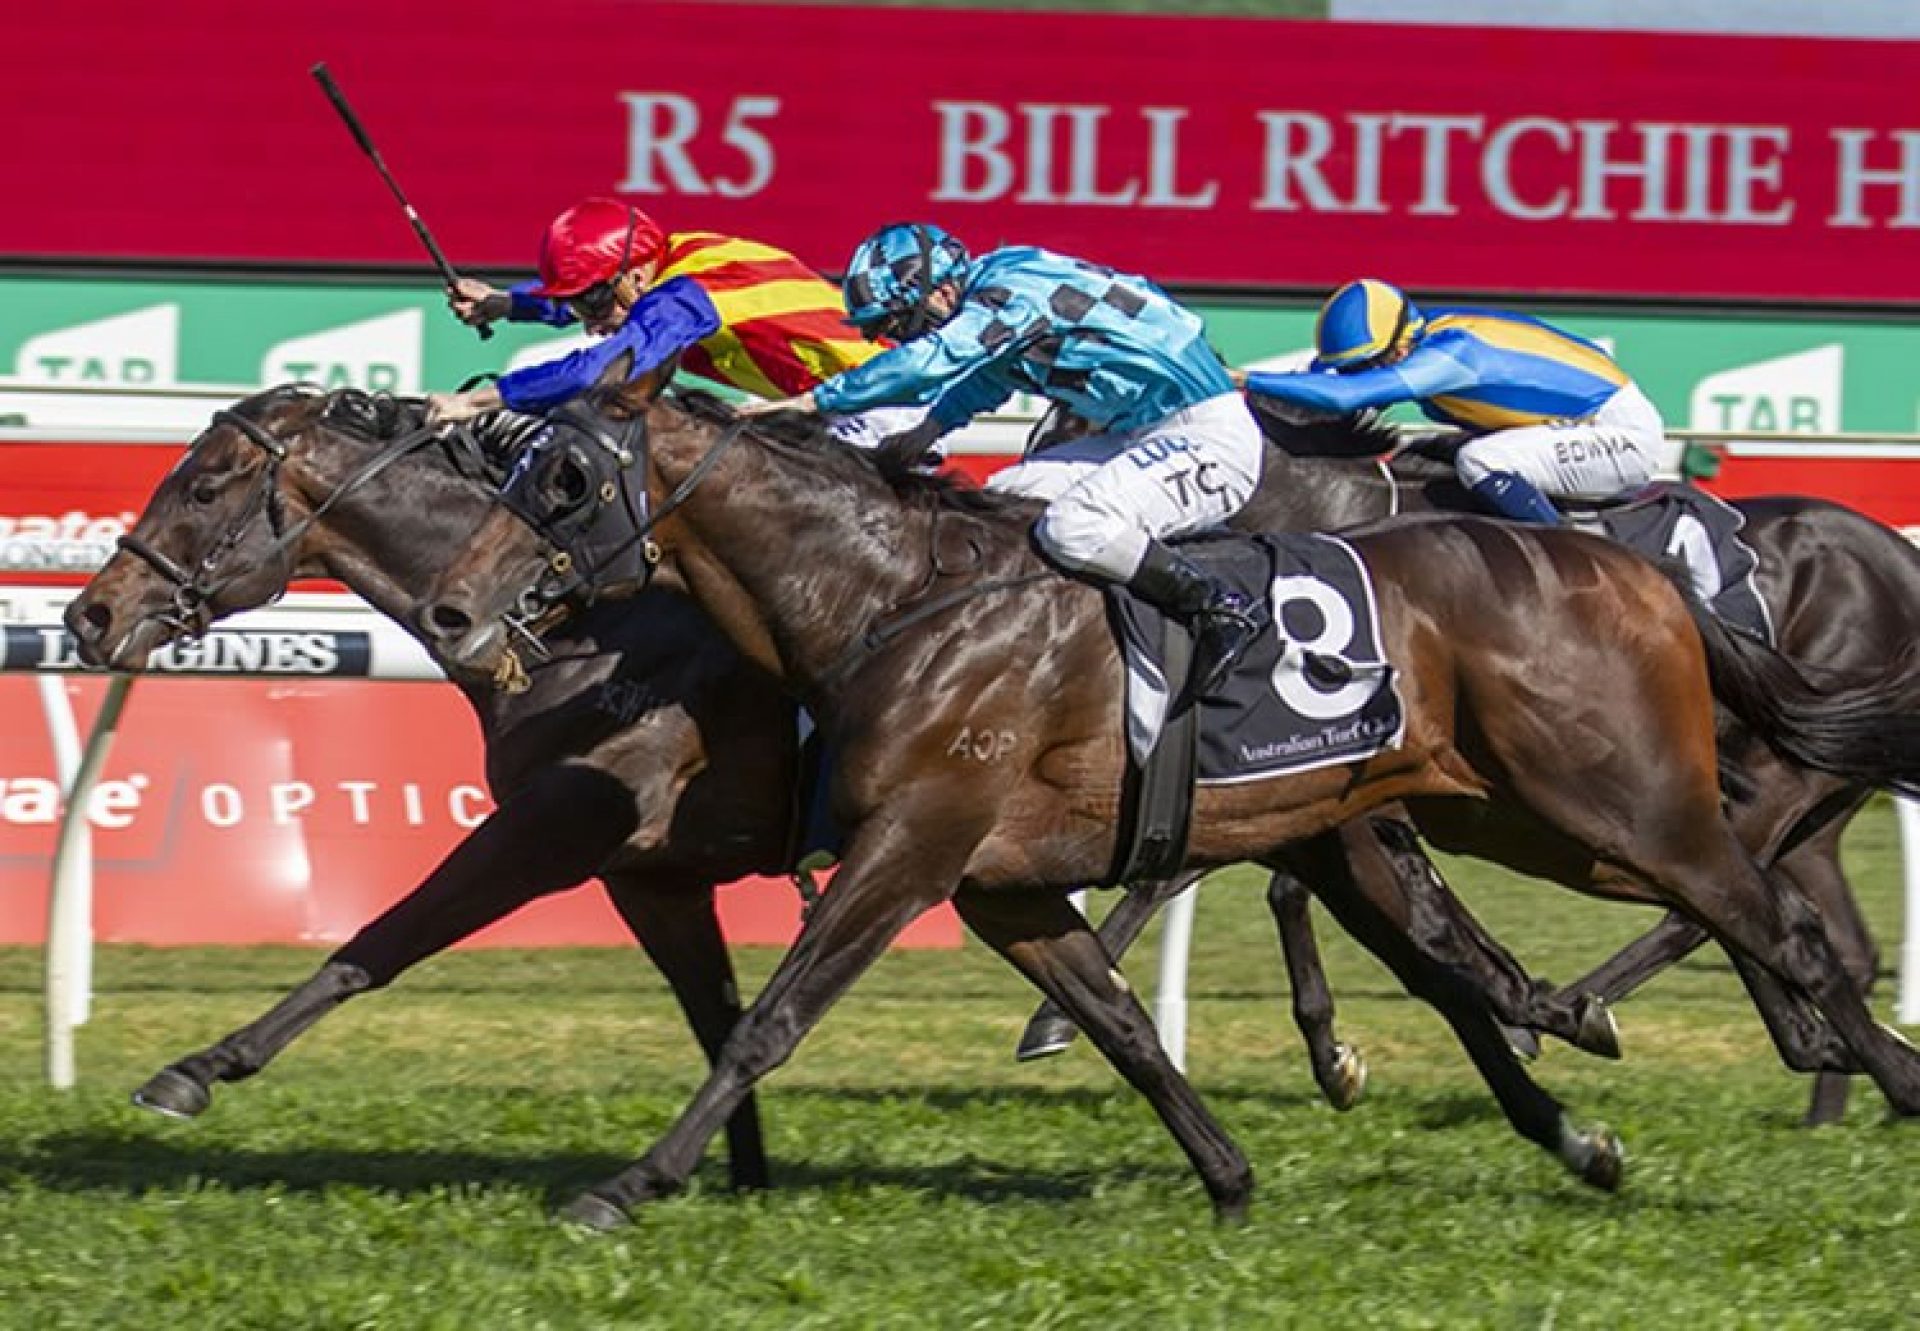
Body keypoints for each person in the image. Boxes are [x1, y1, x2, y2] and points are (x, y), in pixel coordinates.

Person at [740, 223, 1268, 695]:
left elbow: (937, 360)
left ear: (944, 290)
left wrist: (816, 401)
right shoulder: (1008, 294)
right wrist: (912, 439)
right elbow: (973, 388)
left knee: (1074, 527)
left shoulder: (1011, 291)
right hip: (1142, 436)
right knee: (1001, 504)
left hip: (1210, 438)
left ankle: (1218, 608)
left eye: (904, 323)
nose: (900, 338)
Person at [423, 198, 920, 446]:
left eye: (592, 301)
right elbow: (609, 306)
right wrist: (506, 304)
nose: (589, 320)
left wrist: (474, 403)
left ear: (636, 274)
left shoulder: (684, 297)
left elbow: (595, 370)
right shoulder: (667, 260)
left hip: (881, 408)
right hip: (841, 400)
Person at [1239, 279, 1665, 525]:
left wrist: (1244, 377)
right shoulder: (1415, 333)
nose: (1362, 373)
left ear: (1399, 350)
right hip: (1571, 424)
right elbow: (1328, 379)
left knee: (1480, 461)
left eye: (1369, 364)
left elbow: (1347, 396)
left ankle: (1566, 552)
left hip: (1619, 435)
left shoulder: (1451, 355)